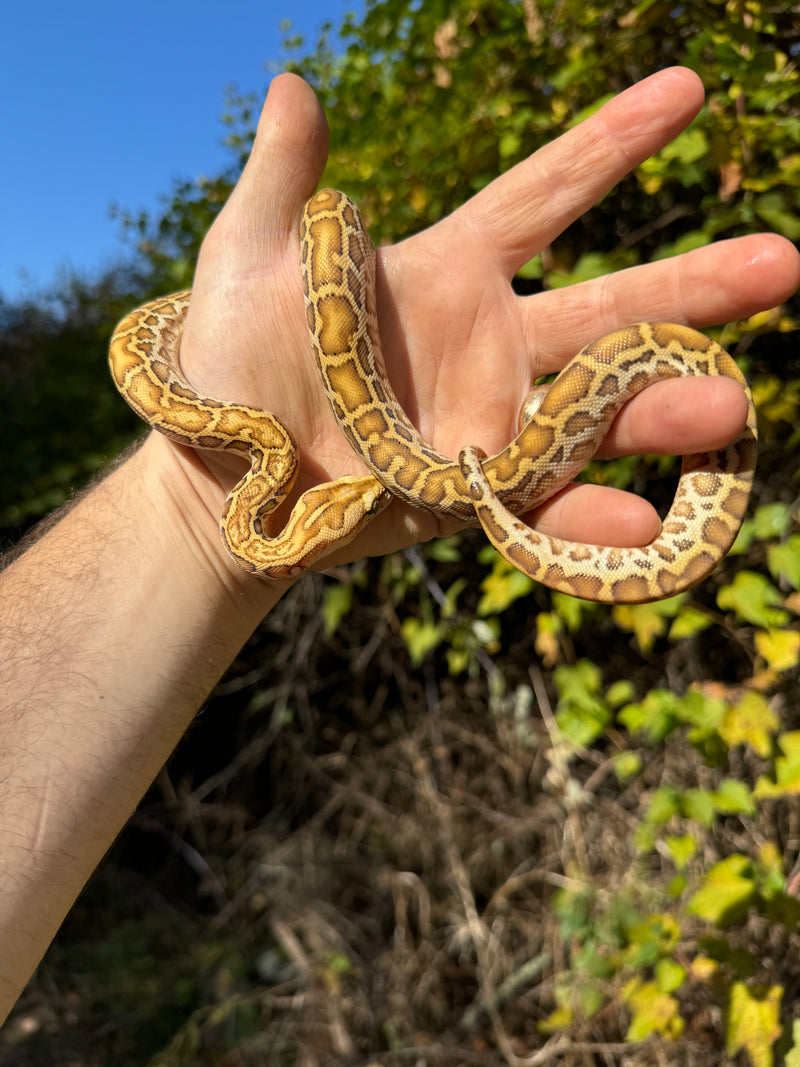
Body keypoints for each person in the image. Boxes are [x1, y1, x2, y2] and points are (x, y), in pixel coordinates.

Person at [0, 68, 797, 1025]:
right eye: (346, 497)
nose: (364, 491)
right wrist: (192, 502)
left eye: (341, 497)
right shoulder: (249, 442)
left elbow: (329, 223)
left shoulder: (256, 446)